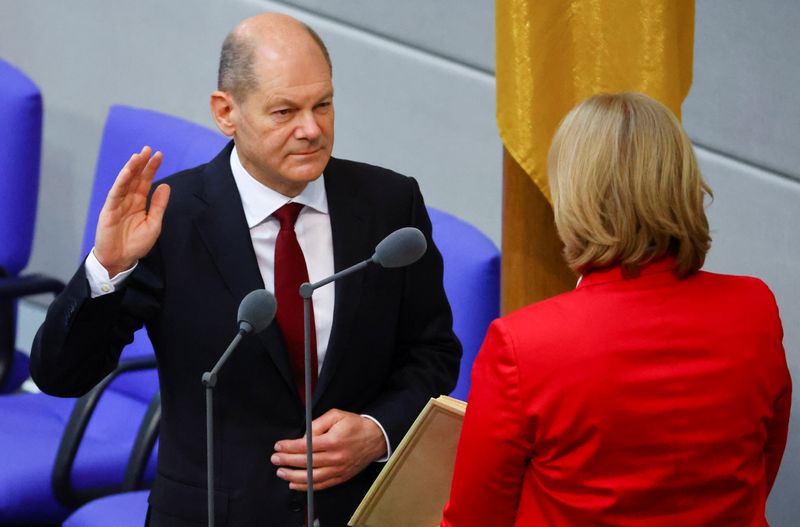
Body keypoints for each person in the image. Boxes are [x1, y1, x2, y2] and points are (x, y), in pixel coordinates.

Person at [30, 12, 461, 527]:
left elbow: (432, 352)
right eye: (284, 111)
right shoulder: (172, 219)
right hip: (213, 513)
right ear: (225, 112)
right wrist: (107, 268)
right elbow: (62, 375)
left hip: (357, 509)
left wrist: (377, 431)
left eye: (323, 105)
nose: (311, 129)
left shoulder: (391, 205)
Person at [441, 93, 791, 526]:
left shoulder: (523, 345)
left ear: (575, 196)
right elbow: (760, 470)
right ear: (682, 181)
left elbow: (475, 520)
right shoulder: (754, 308)